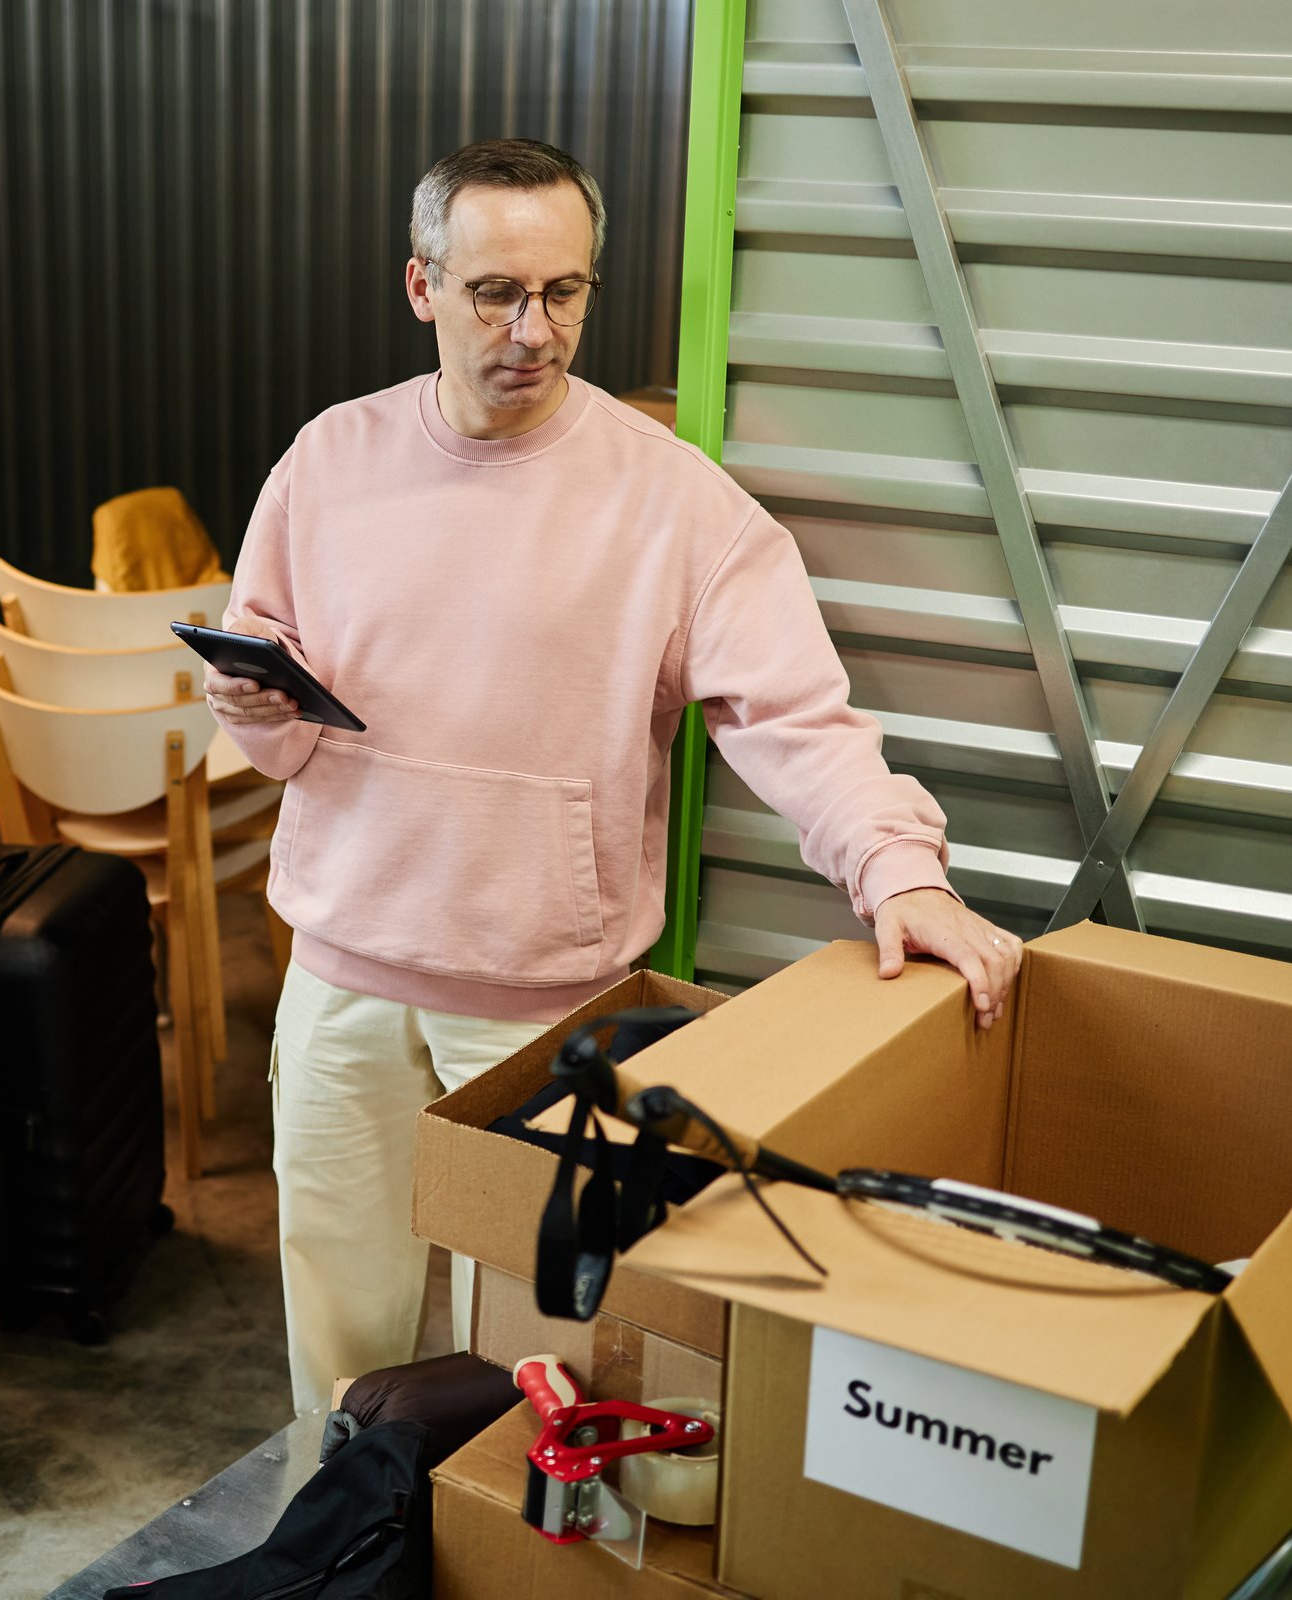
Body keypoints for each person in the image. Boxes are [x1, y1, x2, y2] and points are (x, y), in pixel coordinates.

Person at [208, 138, 1021, 1419]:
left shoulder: (678, 506)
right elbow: (277, 724)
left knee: (549, 1353)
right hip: (343, 983)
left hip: (548, 1008)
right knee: (341, 1341)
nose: (534, 330)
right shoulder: (327, 465)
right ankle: (342, 1533)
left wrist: (894, 867)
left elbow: (794, 711)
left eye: (565, 292)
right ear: (421, 287)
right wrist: (253, 703)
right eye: (494, 294)